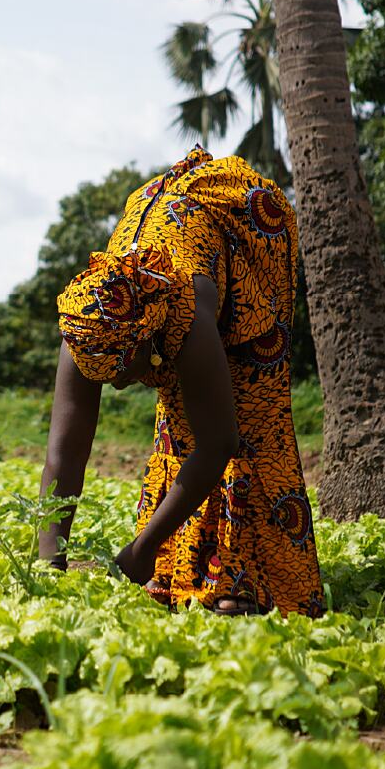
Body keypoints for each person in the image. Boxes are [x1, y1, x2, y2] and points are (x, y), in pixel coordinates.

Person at [38, 146, 324, 617]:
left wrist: (140, 550)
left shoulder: (189, 312)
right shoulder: (89, 323)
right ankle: (183, 565)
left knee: (250, 414)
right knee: (178, 419)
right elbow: (62, 454)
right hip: (163, 219)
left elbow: (219, 444)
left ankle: (246, 577)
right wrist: (50, 563)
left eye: (121, 374)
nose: (119, 386)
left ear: (143, 338)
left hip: (246, 224)